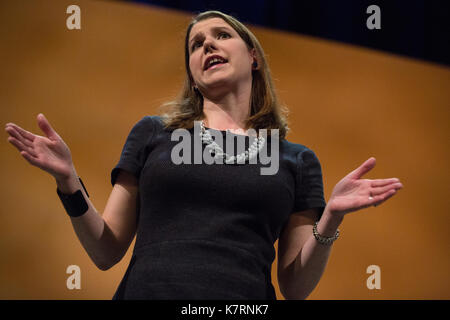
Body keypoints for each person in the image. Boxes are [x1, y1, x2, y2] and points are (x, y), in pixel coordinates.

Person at [5, 10, 403, 300]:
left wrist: (331, 218)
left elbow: (295, 287)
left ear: (254, 57)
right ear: (193, 75)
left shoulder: (295, 160)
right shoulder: (154, 134)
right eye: (196, 44)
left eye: (221, 35)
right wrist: (68, 182)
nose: (207, 44)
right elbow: (106, 251)